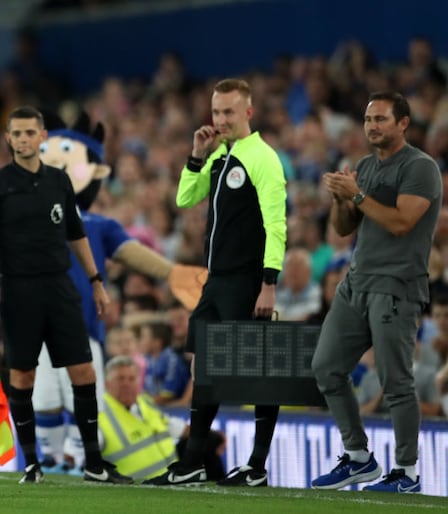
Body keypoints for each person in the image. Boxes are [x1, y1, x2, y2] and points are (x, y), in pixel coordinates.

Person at [0, 105, 132, 485]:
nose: (24, 139)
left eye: (30, 133)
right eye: (17, 134)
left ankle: (93, 461)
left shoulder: (59, 182)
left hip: (60, 288)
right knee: (24, 375)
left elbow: (75, 234)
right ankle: (31, 463)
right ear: (8, 139)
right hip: (18, 290)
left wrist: (95, 280)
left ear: (43, 138)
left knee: (84, 370)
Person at [146, 78, 287, 487]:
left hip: (248, 281)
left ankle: (257, 466)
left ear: (248, 112)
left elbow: (276, 225)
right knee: (204, 367)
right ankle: (192, 461)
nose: (221, 119)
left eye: (229, 112)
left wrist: (269, 282)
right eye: (216, 112)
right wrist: (196, 156)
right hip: (216, 281)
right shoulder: (220, 156)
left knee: (258, 372)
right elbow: (185, 199)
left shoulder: (262, 157)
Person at [310, 91, 442, 494]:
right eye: (368, 120)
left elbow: (401, 222)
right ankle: (358, 458)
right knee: (326, 367)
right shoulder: (365, 166)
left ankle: (407, 472)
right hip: (357, 283)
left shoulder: (421, 168)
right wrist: (340, 199)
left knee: (395, 381)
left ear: (403, 123)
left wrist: (357, 195)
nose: (372, 127)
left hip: (396, 286)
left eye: (381, 119)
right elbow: (344, 228)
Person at [99, 355, 225, 481]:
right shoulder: (100, 415)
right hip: (134, 491)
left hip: (169, 481)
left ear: (138, 382)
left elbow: (175, 427)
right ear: (107, 384)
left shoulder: (144, 403)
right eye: (120, 379)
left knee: (206, 445)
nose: (126, 384)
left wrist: (215, 436)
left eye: (131, 379)